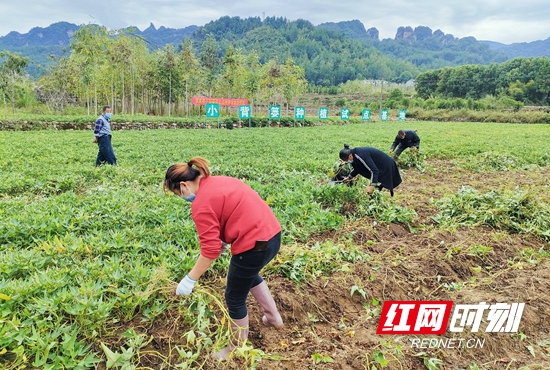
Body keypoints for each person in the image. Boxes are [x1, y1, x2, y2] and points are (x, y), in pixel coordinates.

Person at [163, 157, 283, 361]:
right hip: (271, 236)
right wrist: (224, 239)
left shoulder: (200, 203)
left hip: (253, 245)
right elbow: (234, 210)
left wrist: (190, 279)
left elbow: (210, 251)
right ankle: (274, 319)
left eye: (178, 194)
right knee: (247, 273)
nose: (182, 197)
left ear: (183, 185)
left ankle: (234, 349)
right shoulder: (219, 181)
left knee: (234, 297)